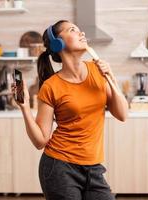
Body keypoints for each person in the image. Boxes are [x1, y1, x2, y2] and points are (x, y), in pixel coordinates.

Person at [11, 20, 129, 200]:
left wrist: (111, 77)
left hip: (93, 168)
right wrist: (25, 107)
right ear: (58, 42)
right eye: (73, 30)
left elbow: (122, 114)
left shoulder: (97, 71)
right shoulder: (51, 86)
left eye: (81, 30)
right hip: (59, 166)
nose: (81, 33)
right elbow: (40, 141)